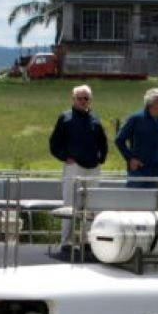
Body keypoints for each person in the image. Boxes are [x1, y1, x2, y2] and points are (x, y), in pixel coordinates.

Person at [48, 84, 108, 251]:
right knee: (70, 204)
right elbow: (54, 143)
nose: (83, 101)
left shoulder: (95, 119)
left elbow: (103, 142)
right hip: (74, 167)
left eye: (86, 98)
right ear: (73, 99)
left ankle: (87, 240)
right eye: (79, 98)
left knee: (91, 205)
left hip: (93, 168)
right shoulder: (65, 118)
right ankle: (66, 241)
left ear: (90, 100)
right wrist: (64, 157)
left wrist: (101, 159)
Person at [114, 88, 158, 188]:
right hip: (138, 171)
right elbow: (119, 140)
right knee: (133, 201)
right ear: (151, 103)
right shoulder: (136, 119)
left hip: (156, 172)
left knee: (153, 202)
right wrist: (130, 159)